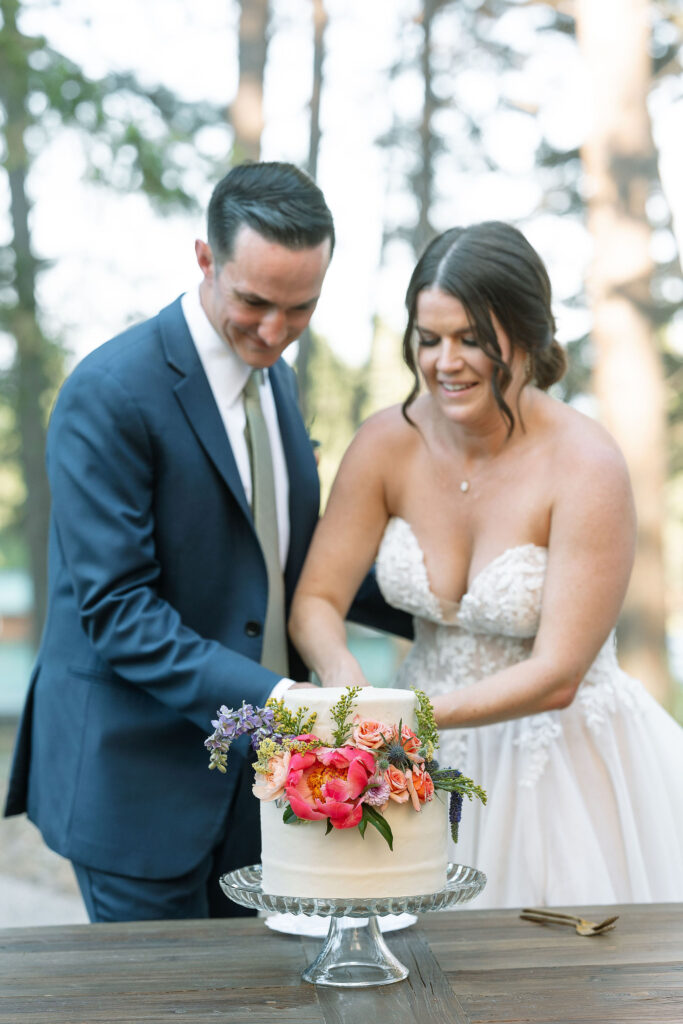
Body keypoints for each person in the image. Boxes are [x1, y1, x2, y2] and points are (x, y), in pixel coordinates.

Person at [4, 161, 409, 922]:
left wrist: (447, 611)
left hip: (259, 787)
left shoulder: (278, 384)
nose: (273, 331)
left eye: (300, 308)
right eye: (254, 302)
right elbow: (119, 612)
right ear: (204, 259)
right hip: (136, 785)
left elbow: (287, 561)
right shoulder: (110, 393)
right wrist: (283, 705)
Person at [289, 220, 683, 908]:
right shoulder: (386, 443)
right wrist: (346, 682)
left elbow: (557, 674)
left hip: (558, 764)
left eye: (471, 338)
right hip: (416, 763)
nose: (446, 361)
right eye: (429, 338)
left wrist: (403, 716)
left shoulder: (585, 464)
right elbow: (316, 600)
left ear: (528, 334)